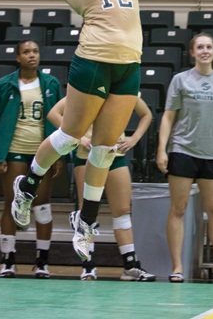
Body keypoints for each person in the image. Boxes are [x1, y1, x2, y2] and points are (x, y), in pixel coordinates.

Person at [11, 0, 213, 263]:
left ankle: (87, 218)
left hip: (128, 65)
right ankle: (28, 186)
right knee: (68, 137)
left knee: (105, 147)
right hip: (94, 61)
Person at [156, 32, 213, 284]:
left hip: (210, 155)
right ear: (192, 52)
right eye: (200, 47)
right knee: (179, 209)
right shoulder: (180, 80)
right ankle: (177, 268)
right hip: (182, 150)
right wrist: (162, 149)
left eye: (209, 47)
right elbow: (168, 116)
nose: (205, 50)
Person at [0, 40, 63, 278]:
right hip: (14, 149)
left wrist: (60, 154)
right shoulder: (6, 84)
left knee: (42, 204)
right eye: (26, 52)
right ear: (18, 58)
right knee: (13, 202)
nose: (31, 55)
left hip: (43, 151)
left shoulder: (51, 83)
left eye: (35, 51)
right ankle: (8, 260)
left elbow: (61, 120)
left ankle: (42, 261)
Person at [47, 95, 156, 281]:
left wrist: (134, 138)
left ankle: (130, 266)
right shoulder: (88, 88)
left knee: (122, 211)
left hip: (115, 156)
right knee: (87, 211)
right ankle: (88, 266)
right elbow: (53, 114)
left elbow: (146, 114)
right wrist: (79, 138)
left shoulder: (125, 90)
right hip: (86, 157)